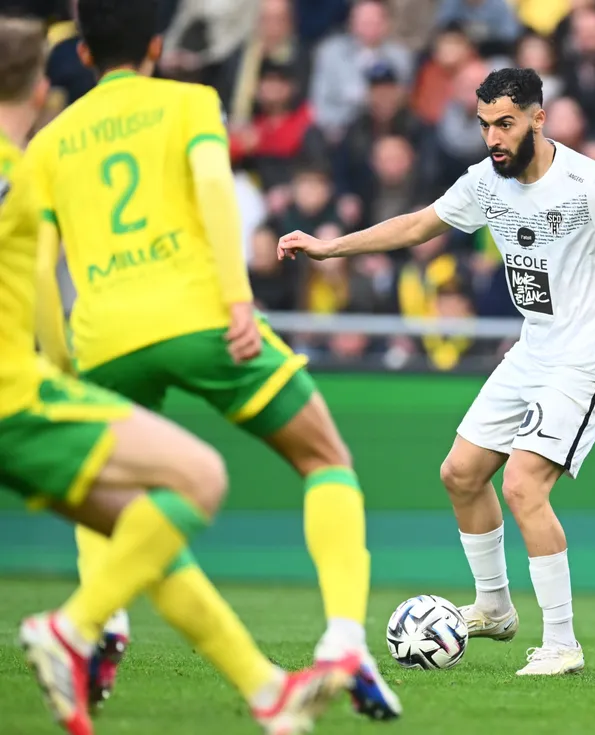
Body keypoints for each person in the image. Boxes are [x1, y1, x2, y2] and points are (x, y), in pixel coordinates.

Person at [26, 0, 400, 720]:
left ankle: (103, 623)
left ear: (80, 54)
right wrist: (237, 298)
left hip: (100, 337)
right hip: (198, 316)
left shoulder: (49, 142)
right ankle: (344, 641)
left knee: (114, 493)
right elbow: (214, 193)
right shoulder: (190, 102)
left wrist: (59, 361)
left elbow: (41, 266)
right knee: (325, 457)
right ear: (158, 45)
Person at [278, 67, 595, 676]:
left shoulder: (591, 186)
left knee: (523, 487)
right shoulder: (484, 183)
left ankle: (562, 643)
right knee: (461, 473)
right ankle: (495, 608)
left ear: (538, 119)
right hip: (534, 349)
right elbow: (417, 225)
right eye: (484, 125)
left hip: (589, 356)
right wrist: (329, 247)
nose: (493, 137)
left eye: (506, 124)